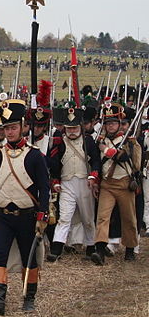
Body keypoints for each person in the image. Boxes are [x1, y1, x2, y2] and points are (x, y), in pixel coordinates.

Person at [0, 98, 51, 315]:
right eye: (6, 128)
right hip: (2, 215)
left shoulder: (35, 156)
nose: (9, 132)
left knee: (29, 258)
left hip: (27, 215)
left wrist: (42, 217)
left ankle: (29, 298)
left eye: (13, 127)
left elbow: (44, 189)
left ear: (23, 127)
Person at [46, 104, 102, 261]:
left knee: (88, 217)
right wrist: (55, 181)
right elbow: (55, 164)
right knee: (64, 216)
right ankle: (56, 249)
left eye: (74, 128)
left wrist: (93, 176)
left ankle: (91, 247)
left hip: (85, 182)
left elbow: (96, 161)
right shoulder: (59, 143)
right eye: (69, 128)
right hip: (67, 184)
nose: (71, 131)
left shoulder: (89, 142)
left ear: (80, 127)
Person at [91, 102, 141, 264]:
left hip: (125, 184)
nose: (110, 126)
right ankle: (99, 250)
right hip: (107, 184)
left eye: (113, 123)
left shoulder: (129, 141)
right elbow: (97, 164)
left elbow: (130, 160)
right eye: (107, 123)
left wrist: (105, 149)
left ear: (119, 123)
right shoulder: (100, 139)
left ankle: (130, 249)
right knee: (103, 217)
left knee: (129, 218)